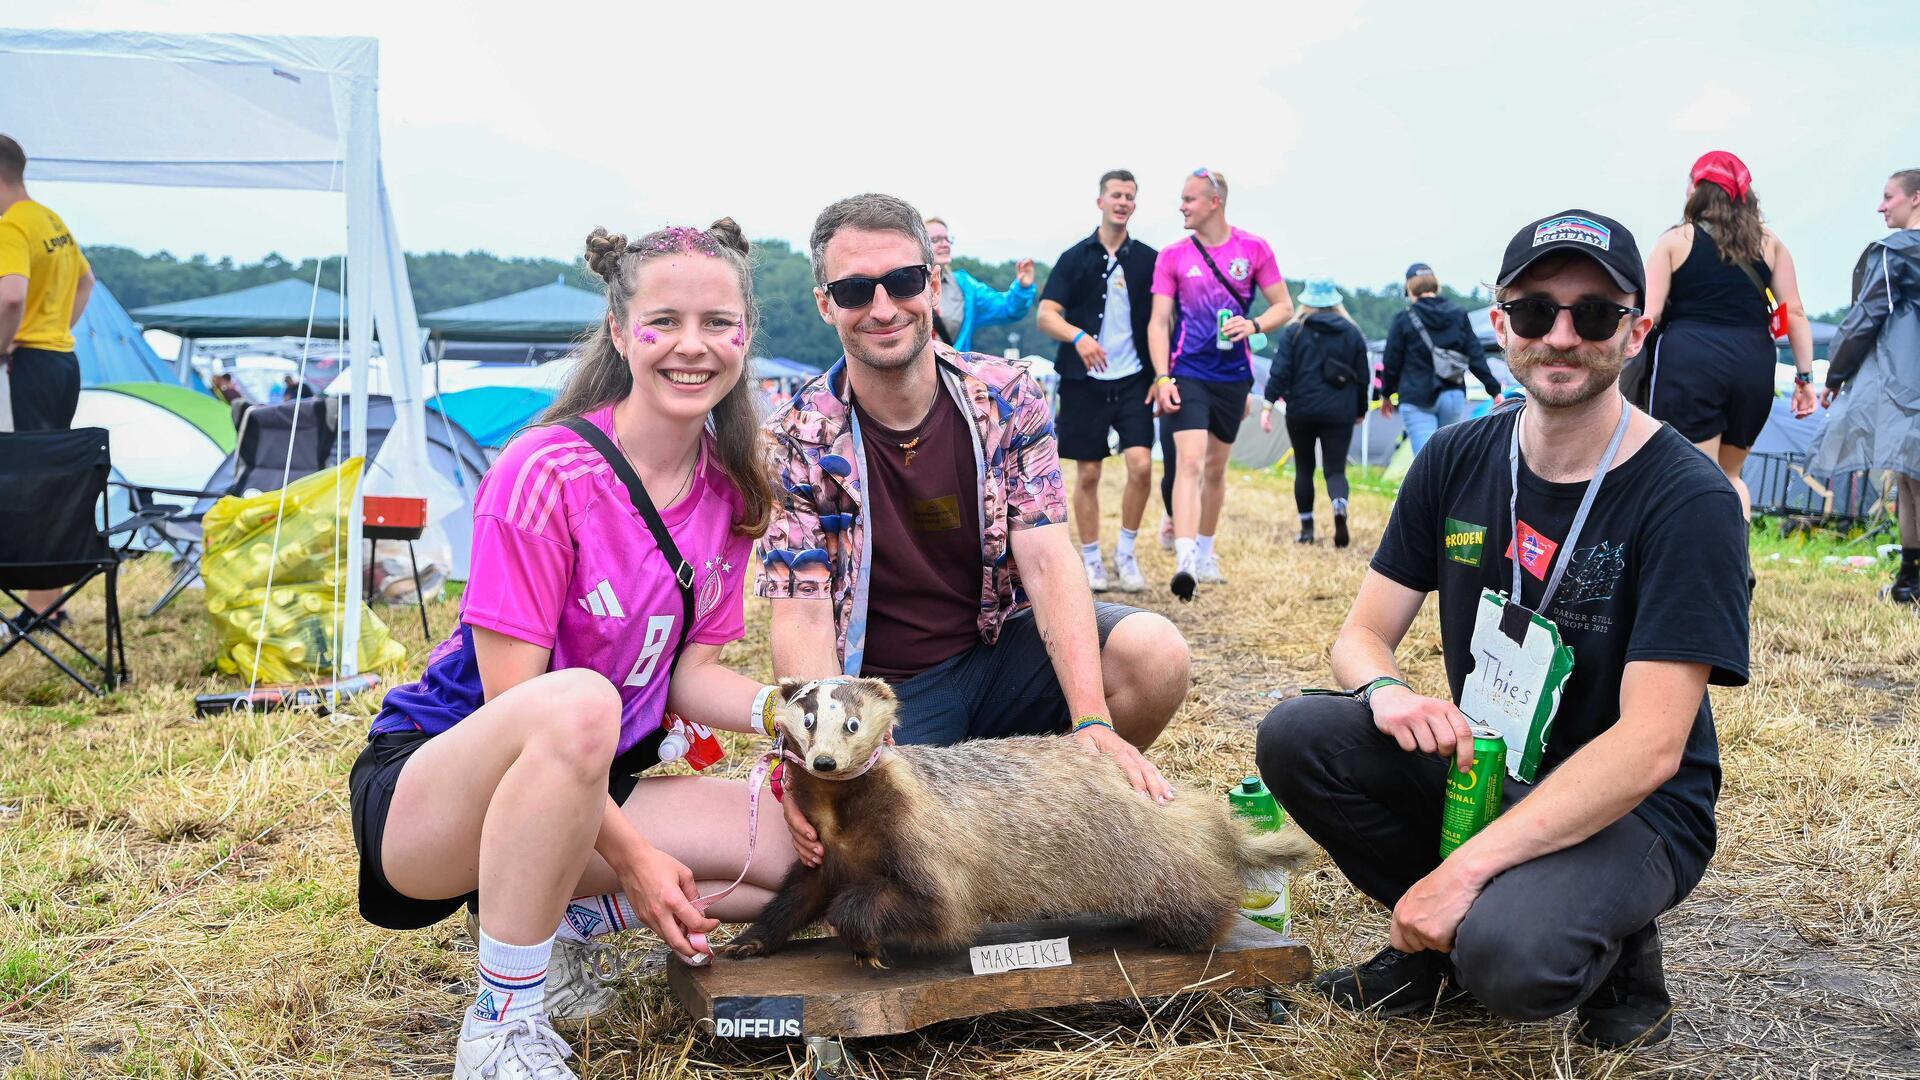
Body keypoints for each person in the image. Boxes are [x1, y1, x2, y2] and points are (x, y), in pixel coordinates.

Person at [1256, 210, 1749, 1050]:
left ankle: (1617, 952)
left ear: (1634, 331)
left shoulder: (1688, 497)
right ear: (1500, 326)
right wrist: (1385, 692)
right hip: (1488, 763)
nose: (1561, 335)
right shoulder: (1455, 456)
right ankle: (1434, 947)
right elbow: (1360, 637)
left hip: (1635, 806)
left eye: (1593, 313)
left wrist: (1464, 873)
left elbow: (1652, 748)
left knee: (1513, 967)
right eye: (1534, 312)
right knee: (1299, 735)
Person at [348, 220, 798, 1080]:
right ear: (623, 334)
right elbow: (523, 705)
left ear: (746, 335)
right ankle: (502, 1024)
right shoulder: (543, 470)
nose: (692, 347)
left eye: (718, 323)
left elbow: (690, 673)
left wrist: (788, 715)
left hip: (588, 778)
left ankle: (561, 921)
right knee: (581, 700)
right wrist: (635, 861)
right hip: (431, 797)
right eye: (664, 322)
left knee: (798, 859)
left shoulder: (732, 487)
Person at [759, 193, 1193, 867]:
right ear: (826, 305)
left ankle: (1063, 815)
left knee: (1155, 655)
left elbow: (1050, 563)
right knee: (857, 857)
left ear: (933, 284)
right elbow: (803, 617)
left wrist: (1092, 721)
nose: (882, 308)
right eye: (854, 290)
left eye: (902, 282)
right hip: (887, 694)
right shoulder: (796, 435)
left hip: (995, 655)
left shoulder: (1007, 395)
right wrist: (821, 765)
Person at [1643, 151, 1817, 519]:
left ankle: (1700, 569)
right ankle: (1738, 565)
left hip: (1690, 362)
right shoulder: (1769, 243)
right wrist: (1804, 378)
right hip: (1753, 362)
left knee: (1690, 475)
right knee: (1731, 475)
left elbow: (1651, 312)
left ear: (1695, 189)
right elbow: (1794, 312)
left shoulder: (1675, 241)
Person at [1147, 169, 1292, 599]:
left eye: (1189, 199)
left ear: (1215, 202)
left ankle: (1207, 552)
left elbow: (1283, 305)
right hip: (1188, 371)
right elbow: (1158, 322)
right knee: (1189, 463)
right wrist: (1161, 377)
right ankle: (1186, 561)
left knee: (1215, 468)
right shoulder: (1172, 255)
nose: (1181, 207)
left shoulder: (1253, 249)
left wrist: (1255, 324)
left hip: (1234, 376)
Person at [1036, 169, 1158, 592]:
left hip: (1135, 379)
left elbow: (1164, 319)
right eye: (1116, 195)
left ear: (1134, 205)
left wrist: (1164, 374)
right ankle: (1091, 559)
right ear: (1100, 201)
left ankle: (1125, 552)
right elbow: (1046, 314)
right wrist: (1079, 337)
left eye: (1130, 196)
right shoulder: (1075, 258)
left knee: (1141, 467)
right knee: (1088, 474)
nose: (1123, 202)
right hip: (1083, 380)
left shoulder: (1148, 260)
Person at [1807, 168, 1920, 605]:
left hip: (1907, 381)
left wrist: (1835, 374)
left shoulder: (1897, 254)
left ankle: (1912, 581)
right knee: (1909, 477)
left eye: (1889, 197)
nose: (1881, 206)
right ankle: (1910, 579)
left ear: (1915, 199)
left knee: (1912, 478)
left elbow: (1864, 318)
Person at [0, 134, 96, 631]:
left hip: (29, 365)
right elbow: (86, 280)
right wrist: (58, 329)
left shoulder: (12, 225)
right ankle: (47, 600)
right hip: (61, 361)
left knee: (25, 478)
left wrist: (6, 343)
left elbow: (11, 296)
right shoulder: (49, 219)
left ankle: (41, 605)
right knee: (49, 475)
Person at [1260, 279, 1368, 547]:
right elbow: (1363, 377)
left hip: (1301, 411)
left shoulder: (1294, 331)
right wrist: (1360, 410)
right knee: (1335, 469)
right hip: (1340, 411)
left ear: (1305, 301)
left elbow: (1280, 371)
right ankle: (1339, 505)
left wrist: (1268, 404)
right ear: (1336, 301)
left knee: (1304, 468)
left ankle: (1307, 529)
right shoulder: (1352, 333)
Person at [1380, 262, 1502, 454]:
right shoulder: (1458, 314)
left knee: (1425, 460)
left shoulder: (1404, 318)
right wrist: (1494, 390)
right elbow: (1475, 354)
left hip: (1417, 397)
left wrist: (1386, 394)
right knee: (1446, 457)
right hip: (1452, 394)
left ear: (1409, 288)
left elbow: (1391, 361)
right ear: (1435, 284)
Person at [923, 215, 1035, 352]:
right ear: (919, 245)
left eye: (947, 239)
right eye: (936, 240)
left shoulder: (965, 287)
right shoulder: (904, 283)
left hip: (950, 370)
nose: (945, 244)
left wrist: (1023, 288)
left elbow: (1008, 309)